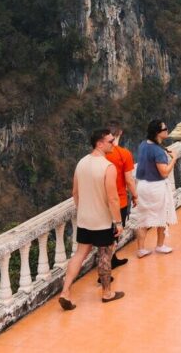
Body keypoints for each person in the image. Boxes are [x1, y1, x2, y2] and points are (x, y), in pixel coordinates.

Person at [59, 128, 124, 309]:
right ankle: (107, 292)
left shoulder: (81, 163)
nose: (113, 144)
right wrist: (118, 222)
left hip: (85, 219)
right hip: (101, 220)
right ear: (99, 144)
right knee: (105, 254)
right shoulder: (107, 167)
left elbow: (75, 192)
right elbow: (112, 198)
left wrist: (83, 210)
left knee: (80, 254)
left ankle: (65, 291)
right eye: (110, 141)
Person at [133, 119, 178, 257]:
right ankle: (160, 245)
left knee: (143, 218)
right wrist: (174, 159)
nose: (167, 131)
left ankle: (141, 249)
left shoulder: (143, 145)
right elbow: (164, 172)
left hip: (142, 186)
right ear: (158, 133)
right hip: (156, 187)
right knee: (162, 216)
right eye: (165, 129)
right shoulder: (158, 151)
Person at [104, 121, 137, 269]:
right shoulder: (124, 154)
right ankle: (105, 268)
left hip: (101, 201)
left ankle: (112, 260)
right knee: (114, 235)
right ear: (120, 133)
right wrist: (135, 196)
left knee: (105, 234)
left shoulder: (100, 154)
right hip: (119, 201)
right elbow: (129, 180)